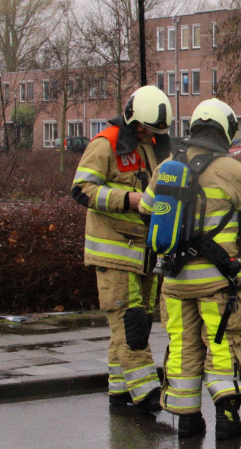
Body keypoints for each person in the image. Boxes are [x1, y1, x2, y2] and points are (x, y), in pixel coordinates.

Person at [139, 99, 241, 440]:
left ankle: (187, 422)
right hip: (218, 283)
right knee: (222, 345)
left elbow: (145, 210)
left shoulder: (168, 165)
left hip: (174, 280)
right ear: (226, 131)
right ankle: (227, 420)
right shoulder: (232, 169)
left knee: (182, 347)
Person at [71, 85, 173, 413]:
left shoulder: (154, 144)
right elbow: (81, 190)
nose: (147, 134)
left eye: (154, 130)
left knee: (134, 321)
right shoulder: (106, 143)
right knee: (131, 324)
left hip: (145, 251)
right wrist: (129, 199)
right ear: (132, 119)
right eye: (144, 128)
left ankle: (119, 391)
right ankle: (146, 394)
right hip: (115, 252)